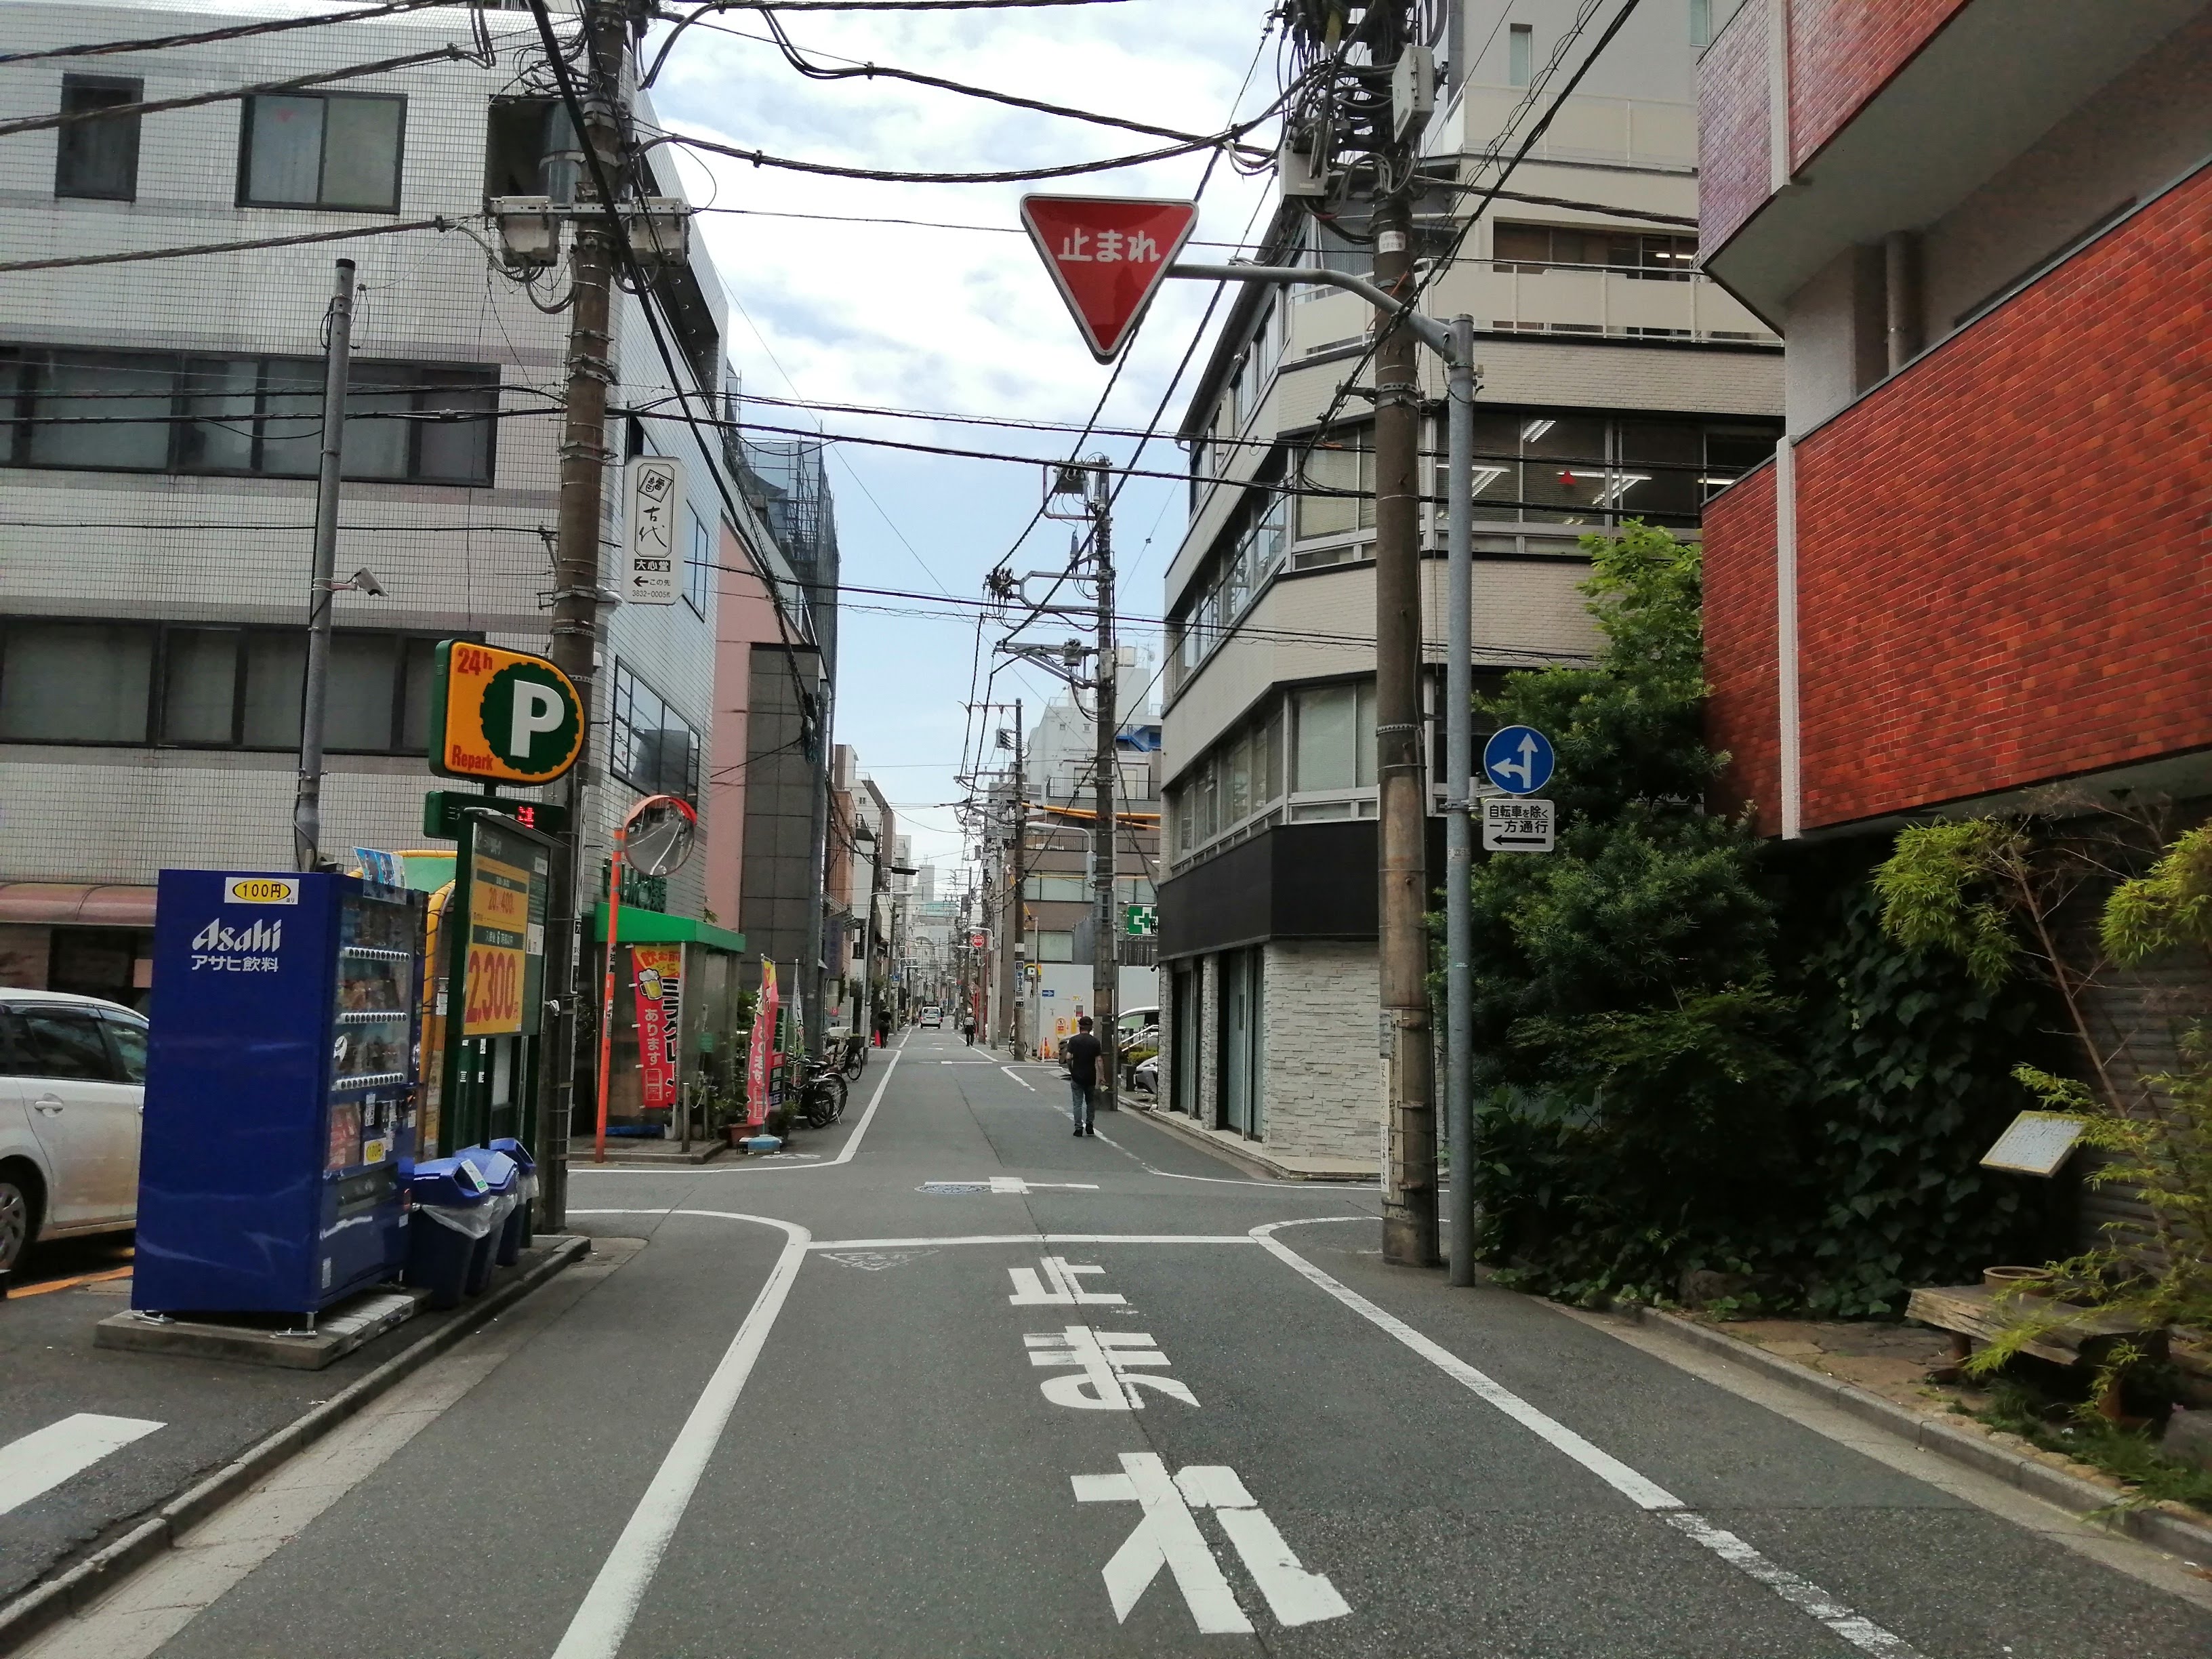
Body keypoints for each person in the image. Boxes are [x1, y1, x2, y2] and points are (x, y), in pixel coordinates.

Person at [1063, 1015, 1103, 1138]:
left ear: (1080, 1027)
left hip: (1077, 1076)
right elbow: (1099, 1060)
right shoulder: (1095, 1042)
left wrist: (1071, 1070)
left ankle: (1078, 1128)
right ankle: (1090, 1125)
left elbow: (1068, 1057)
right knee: (1091, 1102)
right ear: (1090, 1027)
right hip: (1091, 1076)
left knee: (1077, 1103)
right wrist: (1102, 1076)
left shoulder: (1074, 1041)